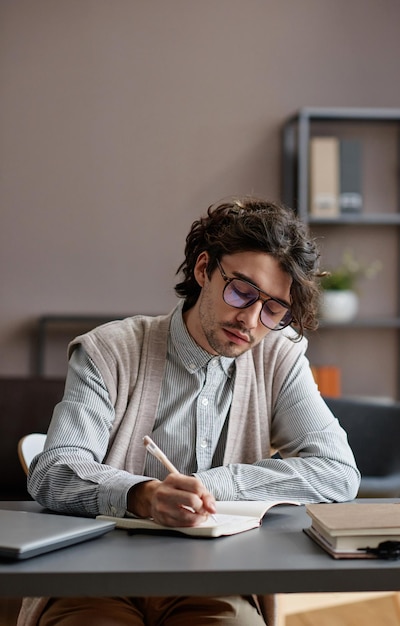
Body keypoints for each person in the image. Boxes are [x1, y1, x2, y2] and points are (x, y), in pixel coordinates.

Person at [18, 197, 360, 626]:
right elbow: (54, 470)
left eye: (274, 308)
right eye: (241, 291)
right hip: (97, 577)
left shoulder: (279, 355)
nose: (251, 320)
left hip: (216, 581)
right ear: (203, 270)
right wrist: (143, 495)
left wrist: (212, 485)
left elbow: (338, 471)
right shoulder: (111, 350)